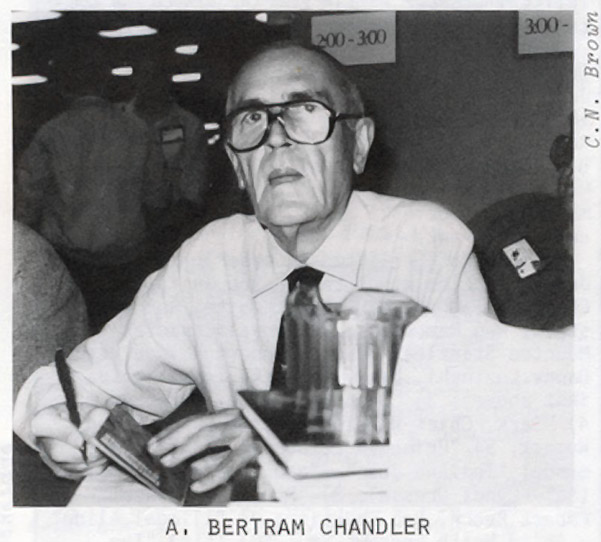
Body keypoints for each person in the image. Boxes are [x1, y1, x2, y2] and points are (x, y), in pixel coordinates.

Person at [14, 41, 493, 496]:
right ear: (237, 165)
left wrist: (300, 432)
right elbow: (80, 383)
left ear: (359, 144)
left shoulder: (426, 243)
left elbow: (494, 415)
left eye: (306, 112)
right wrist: (59, 423)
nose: (277, 139)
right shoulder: (209, 261)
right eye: (253, 120)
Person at [14, 41, 167, 332]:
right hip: (127, 264)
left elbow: (27, 202)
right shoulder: (137, 129)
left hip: (70, 263)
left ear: (63, 86)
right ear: (105, 82)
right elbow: (157, 198)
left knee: (73, 339)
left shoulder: (51, 132)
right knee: (121, 338)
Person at [119, 58, 210, 266]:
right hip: (120, 240)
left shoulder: (189, 125)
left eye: (158, 75)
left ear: (169, 79)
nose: (151, 82)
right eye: (145, 75)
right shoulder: (116, 121)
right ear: (135, 79)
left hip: (170, 237)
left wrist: (164, 229)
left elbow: (193, 188)